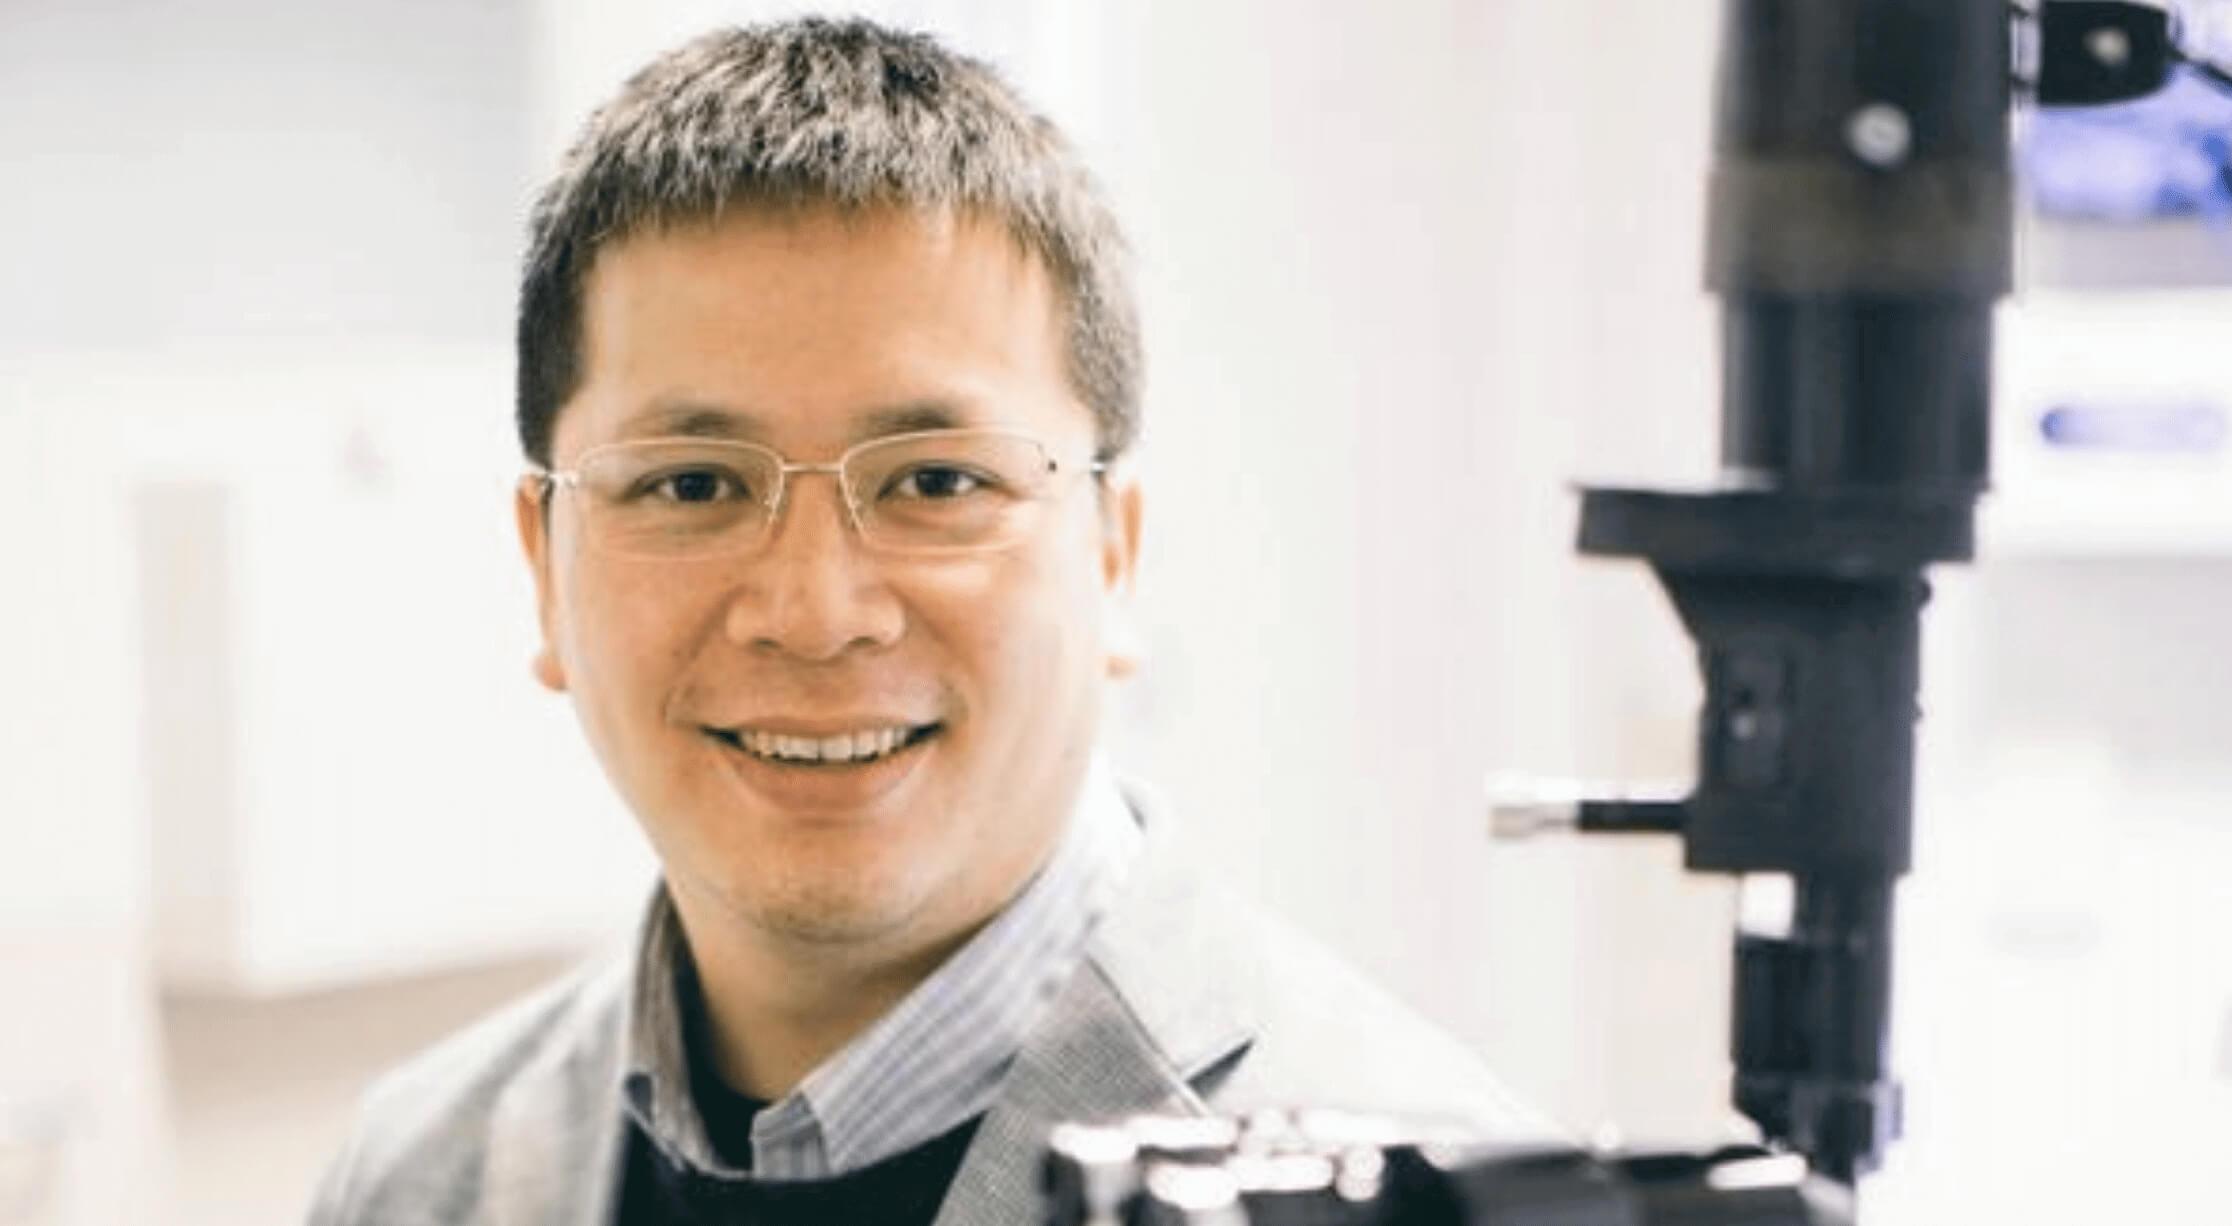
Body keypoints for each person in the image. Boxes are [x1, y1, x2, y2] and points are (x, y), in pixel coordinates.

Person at [307, 17, 1538, 1225]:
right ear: (544, 570)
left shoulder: (1435, 1191)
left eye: (937, 481)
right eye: (691, 484)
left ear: (1111, 555)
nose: (813, 612)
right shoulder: (420, 1173)